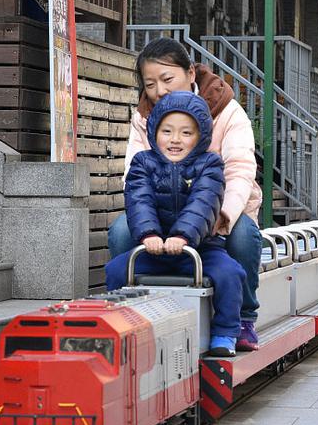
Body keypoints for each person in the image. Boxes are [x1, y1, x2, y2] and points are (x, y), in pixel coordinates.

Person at [107, 37, 263, 351]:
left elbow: (239, 171)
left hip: (217, 211)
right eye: (150, 84)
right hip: (161, 212)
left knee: (242, 235)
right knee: (122, 231)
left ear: (190, 73)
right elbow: (135, 179)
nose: (159, 91)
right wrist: (149, 228)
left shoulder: (227, 111)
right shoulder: (144, 118)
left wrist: (221, 217)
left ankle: (243, 317)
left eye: (167, 79)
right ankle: (131, 312)